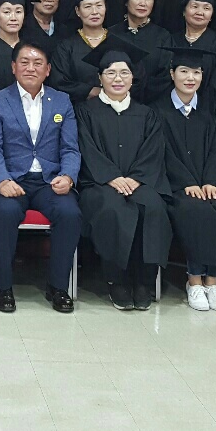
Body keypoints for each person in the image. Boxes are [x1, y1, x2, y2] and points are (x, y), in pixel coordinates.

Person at [0, 41, 81, 313]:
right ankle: (3, 287)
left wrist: (68, 176)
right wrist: (2, 180)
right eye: (24, 62)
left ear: (48, 70)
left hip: (49, 181)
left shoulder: (62, 100)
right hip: (12, 180)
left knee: (70, 213)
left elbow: (70, 148)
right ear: (13, 67)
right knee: (5, 213)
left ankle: (58, 286)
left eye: (38, 63)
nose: (31, 68)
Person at [74, 38, 170, 310]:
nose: (118, 79)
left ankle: (144, 281)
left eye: (124, 73)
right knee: (113, 209)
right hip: (99, 183)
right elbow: (86, 148)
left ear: (133, 77)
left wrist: (136, 178)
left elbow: (153, 150)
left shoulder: (146, 114)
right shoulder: (85, 111)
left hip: (139, 182)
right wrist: (111, 177)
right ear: (100, 77)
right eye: (111, 73)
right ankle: (116, 280)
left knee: (153, 207)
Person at [157, 47, 216, 312]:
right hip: (176, 186)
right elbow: (161, 152)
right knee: (197, 211)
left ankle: (213, 281)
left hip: (210, 184)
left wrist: (210, 181)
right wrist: (186, 182)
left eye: (196, 72)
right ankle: (194, 280)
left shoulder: (213, 111)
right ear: (172, 74)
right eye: (184, 71)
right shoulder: (157, 111)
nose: (190, 77)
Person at [107, 0, 172, 103]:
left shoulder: (162, 36)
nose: (143, 3)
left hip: (152, 104)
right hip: (115, 102)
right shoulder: (112, 34)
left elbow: (164, 77)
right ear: (126, 1)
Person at [50, 0, 111, 102]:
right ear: (78, 11)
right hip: (79, 109)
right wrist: (90, 91)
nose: (95, 12)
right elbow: (59, 82)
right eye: (87, 6)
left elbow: (137, 79)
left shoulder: (118, 42)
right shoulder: (66, 47)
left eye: (99, 5)